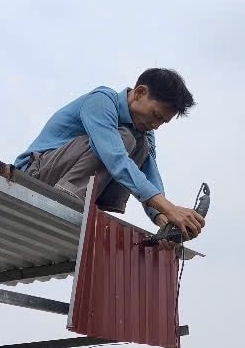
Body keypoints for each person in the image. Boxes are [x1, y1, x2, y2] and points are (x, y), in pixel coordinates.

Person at [13, 68, 206, 240]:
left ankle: (88, 203)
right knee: (125, 140)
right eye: (156, 115)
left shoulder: (145, 132)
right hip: (35, 174)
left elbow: (150, 174)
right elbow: (114, 157)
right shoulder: (102, 101)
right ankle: (69, 196)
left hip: (75, 184)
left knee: (140, 144)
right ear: (140, 93)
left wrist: (164, 221)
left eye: (163, 122)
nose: (156, 124)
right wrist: (170, 208)